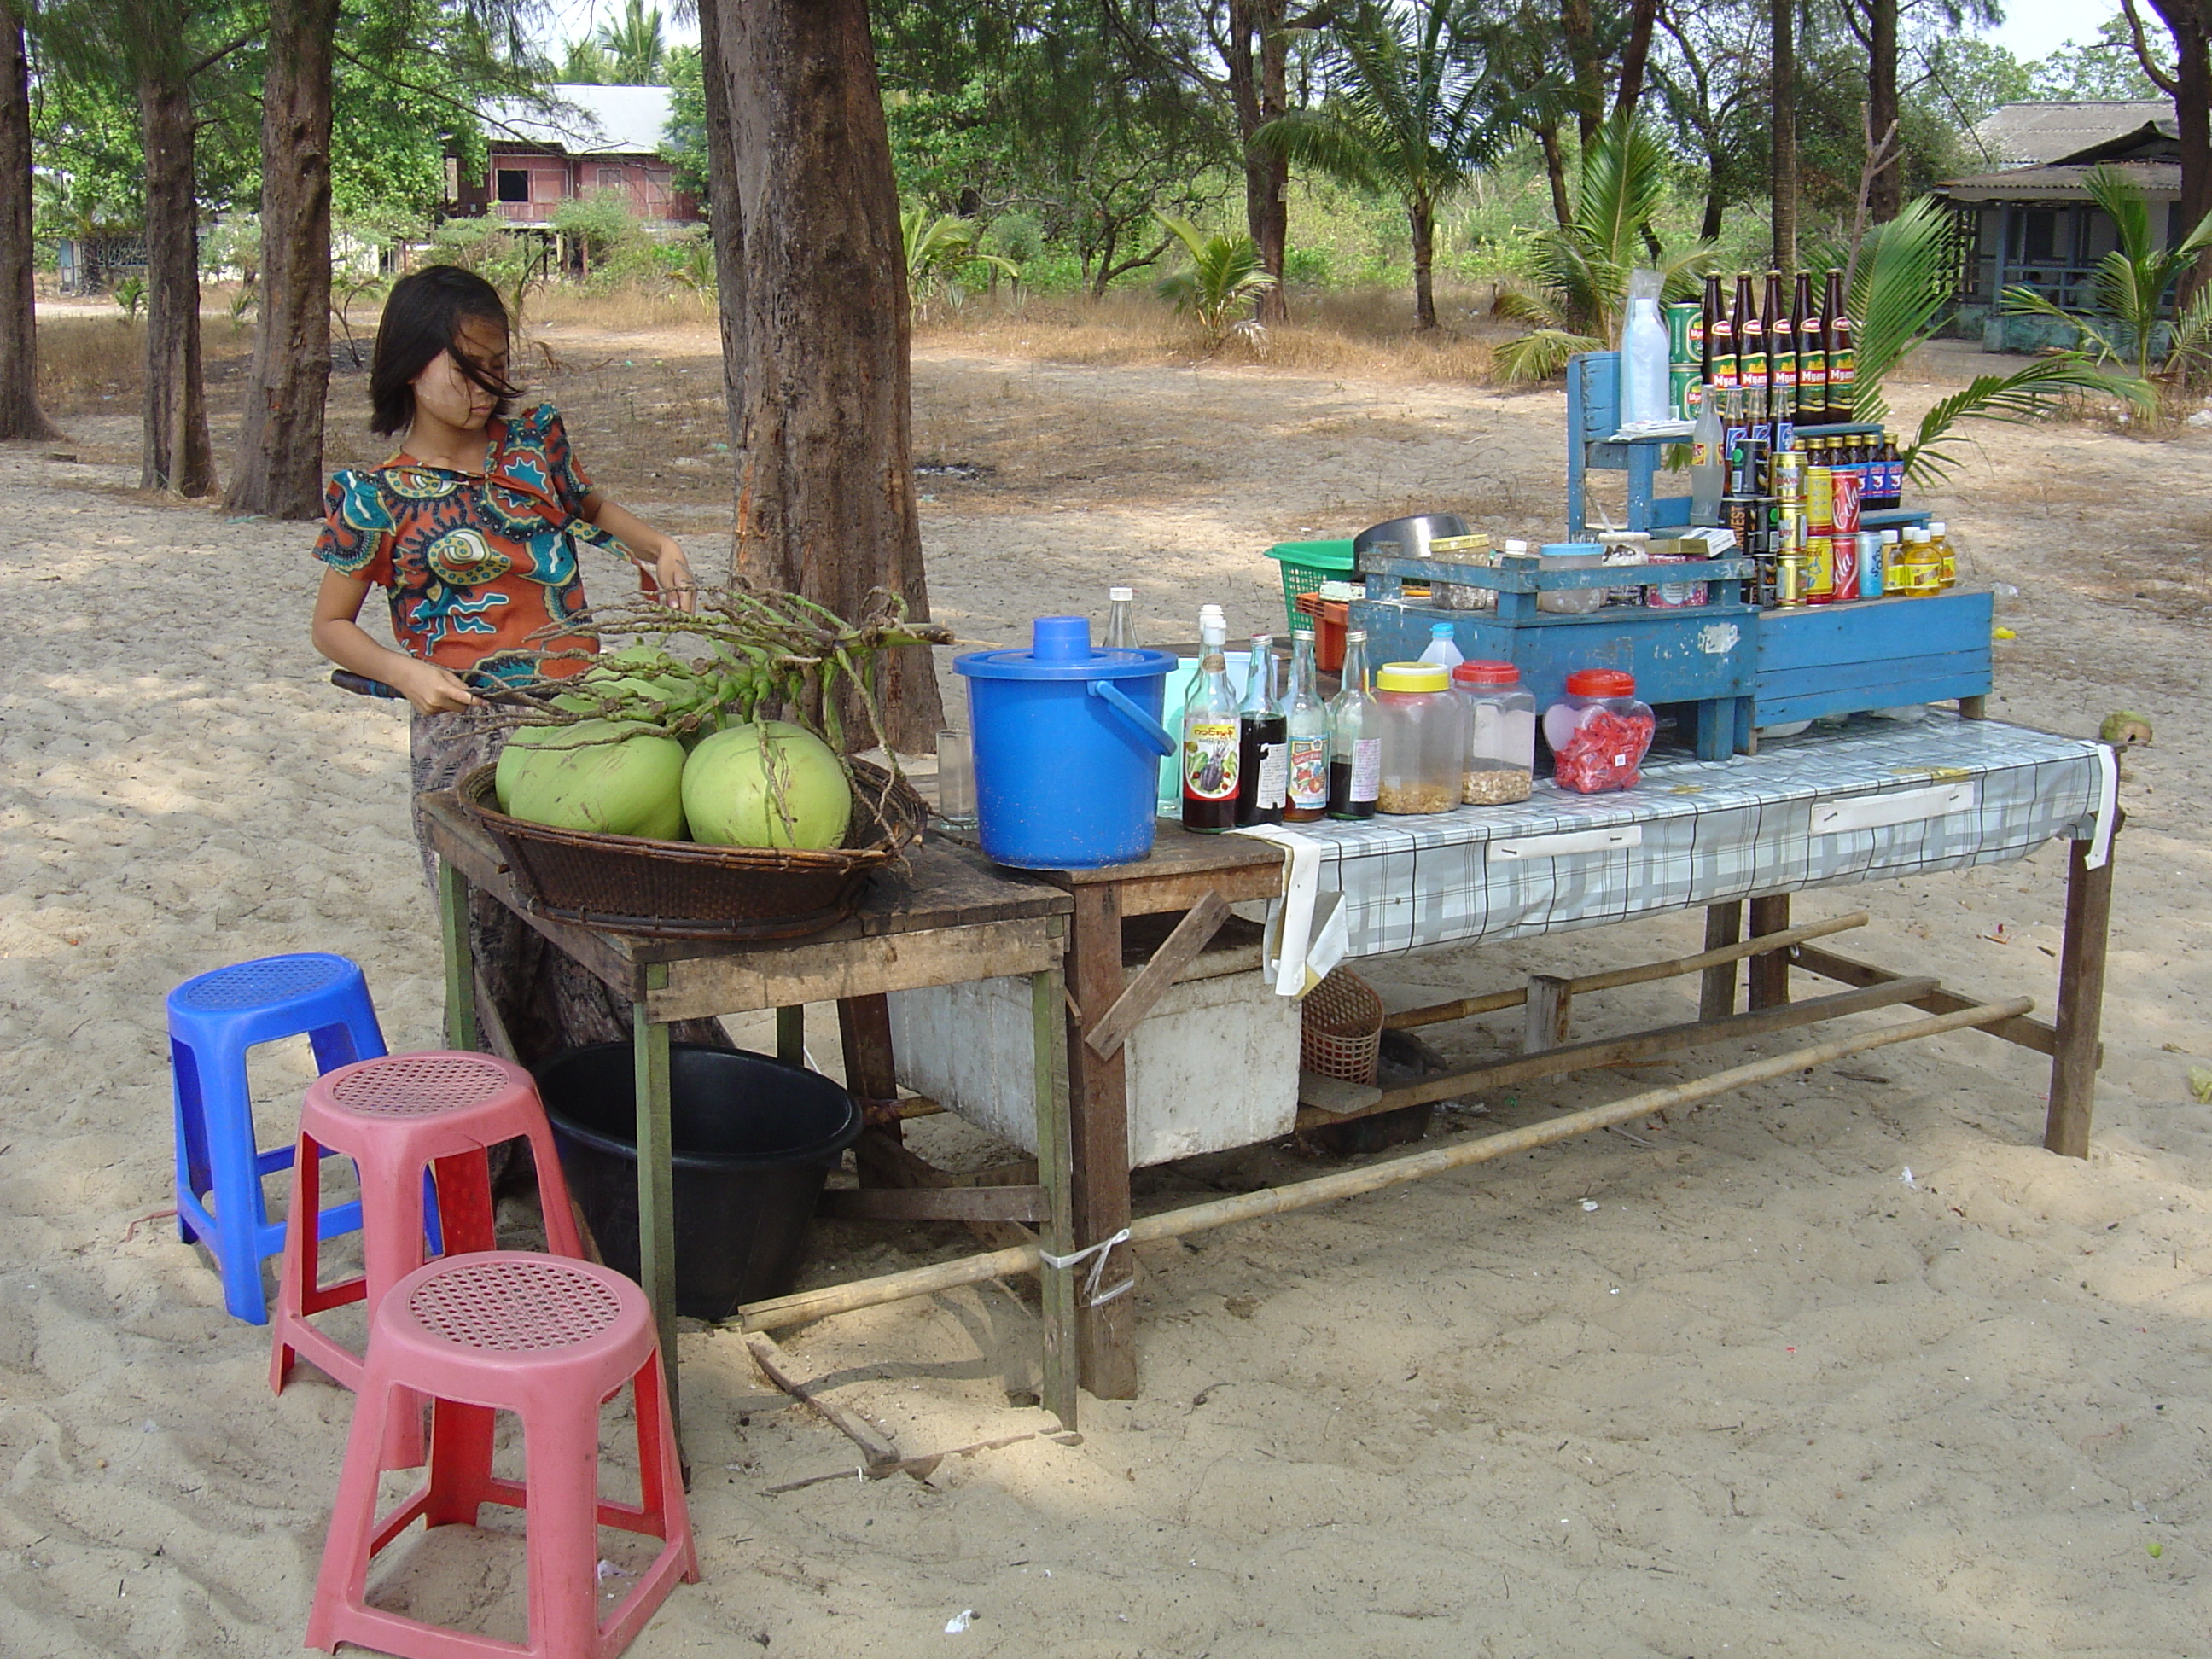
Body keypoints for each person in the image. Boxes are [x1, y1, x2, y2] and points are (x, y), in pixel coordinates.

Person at [310, 264, 725, 1063]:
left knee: (616, 930)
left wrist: (657, 545)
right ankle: (496, 1158)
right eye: (466, 369)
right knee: (490, 947)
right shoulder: (376, 497)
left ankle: (645, 1126)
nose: (484, 388)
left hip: (584, 716)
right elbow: (331, 626)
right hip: (466, 727)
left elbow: (591, 510)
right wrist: (405, 672)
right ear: (410, 363)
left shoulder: (533, 445)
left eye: (496, 366)